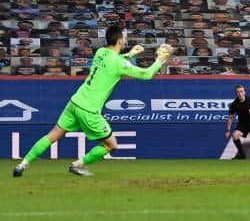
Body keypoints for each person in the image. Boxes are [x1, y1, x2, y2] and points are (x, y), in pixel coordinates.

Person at [13, 26, 173, 177]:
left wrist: (130, 54)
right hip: (89, 109)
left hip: (75, 102)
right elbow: (145, 74)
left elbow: (113, 63)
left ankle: (22, 164)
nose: (125, 40)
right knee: (111, 145)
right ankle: (78, 164)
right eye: (124, 38)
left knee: (52, 136)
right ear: (119, 41)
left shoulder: (101, 52)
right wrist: (160, 60)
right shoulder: (119, 63)